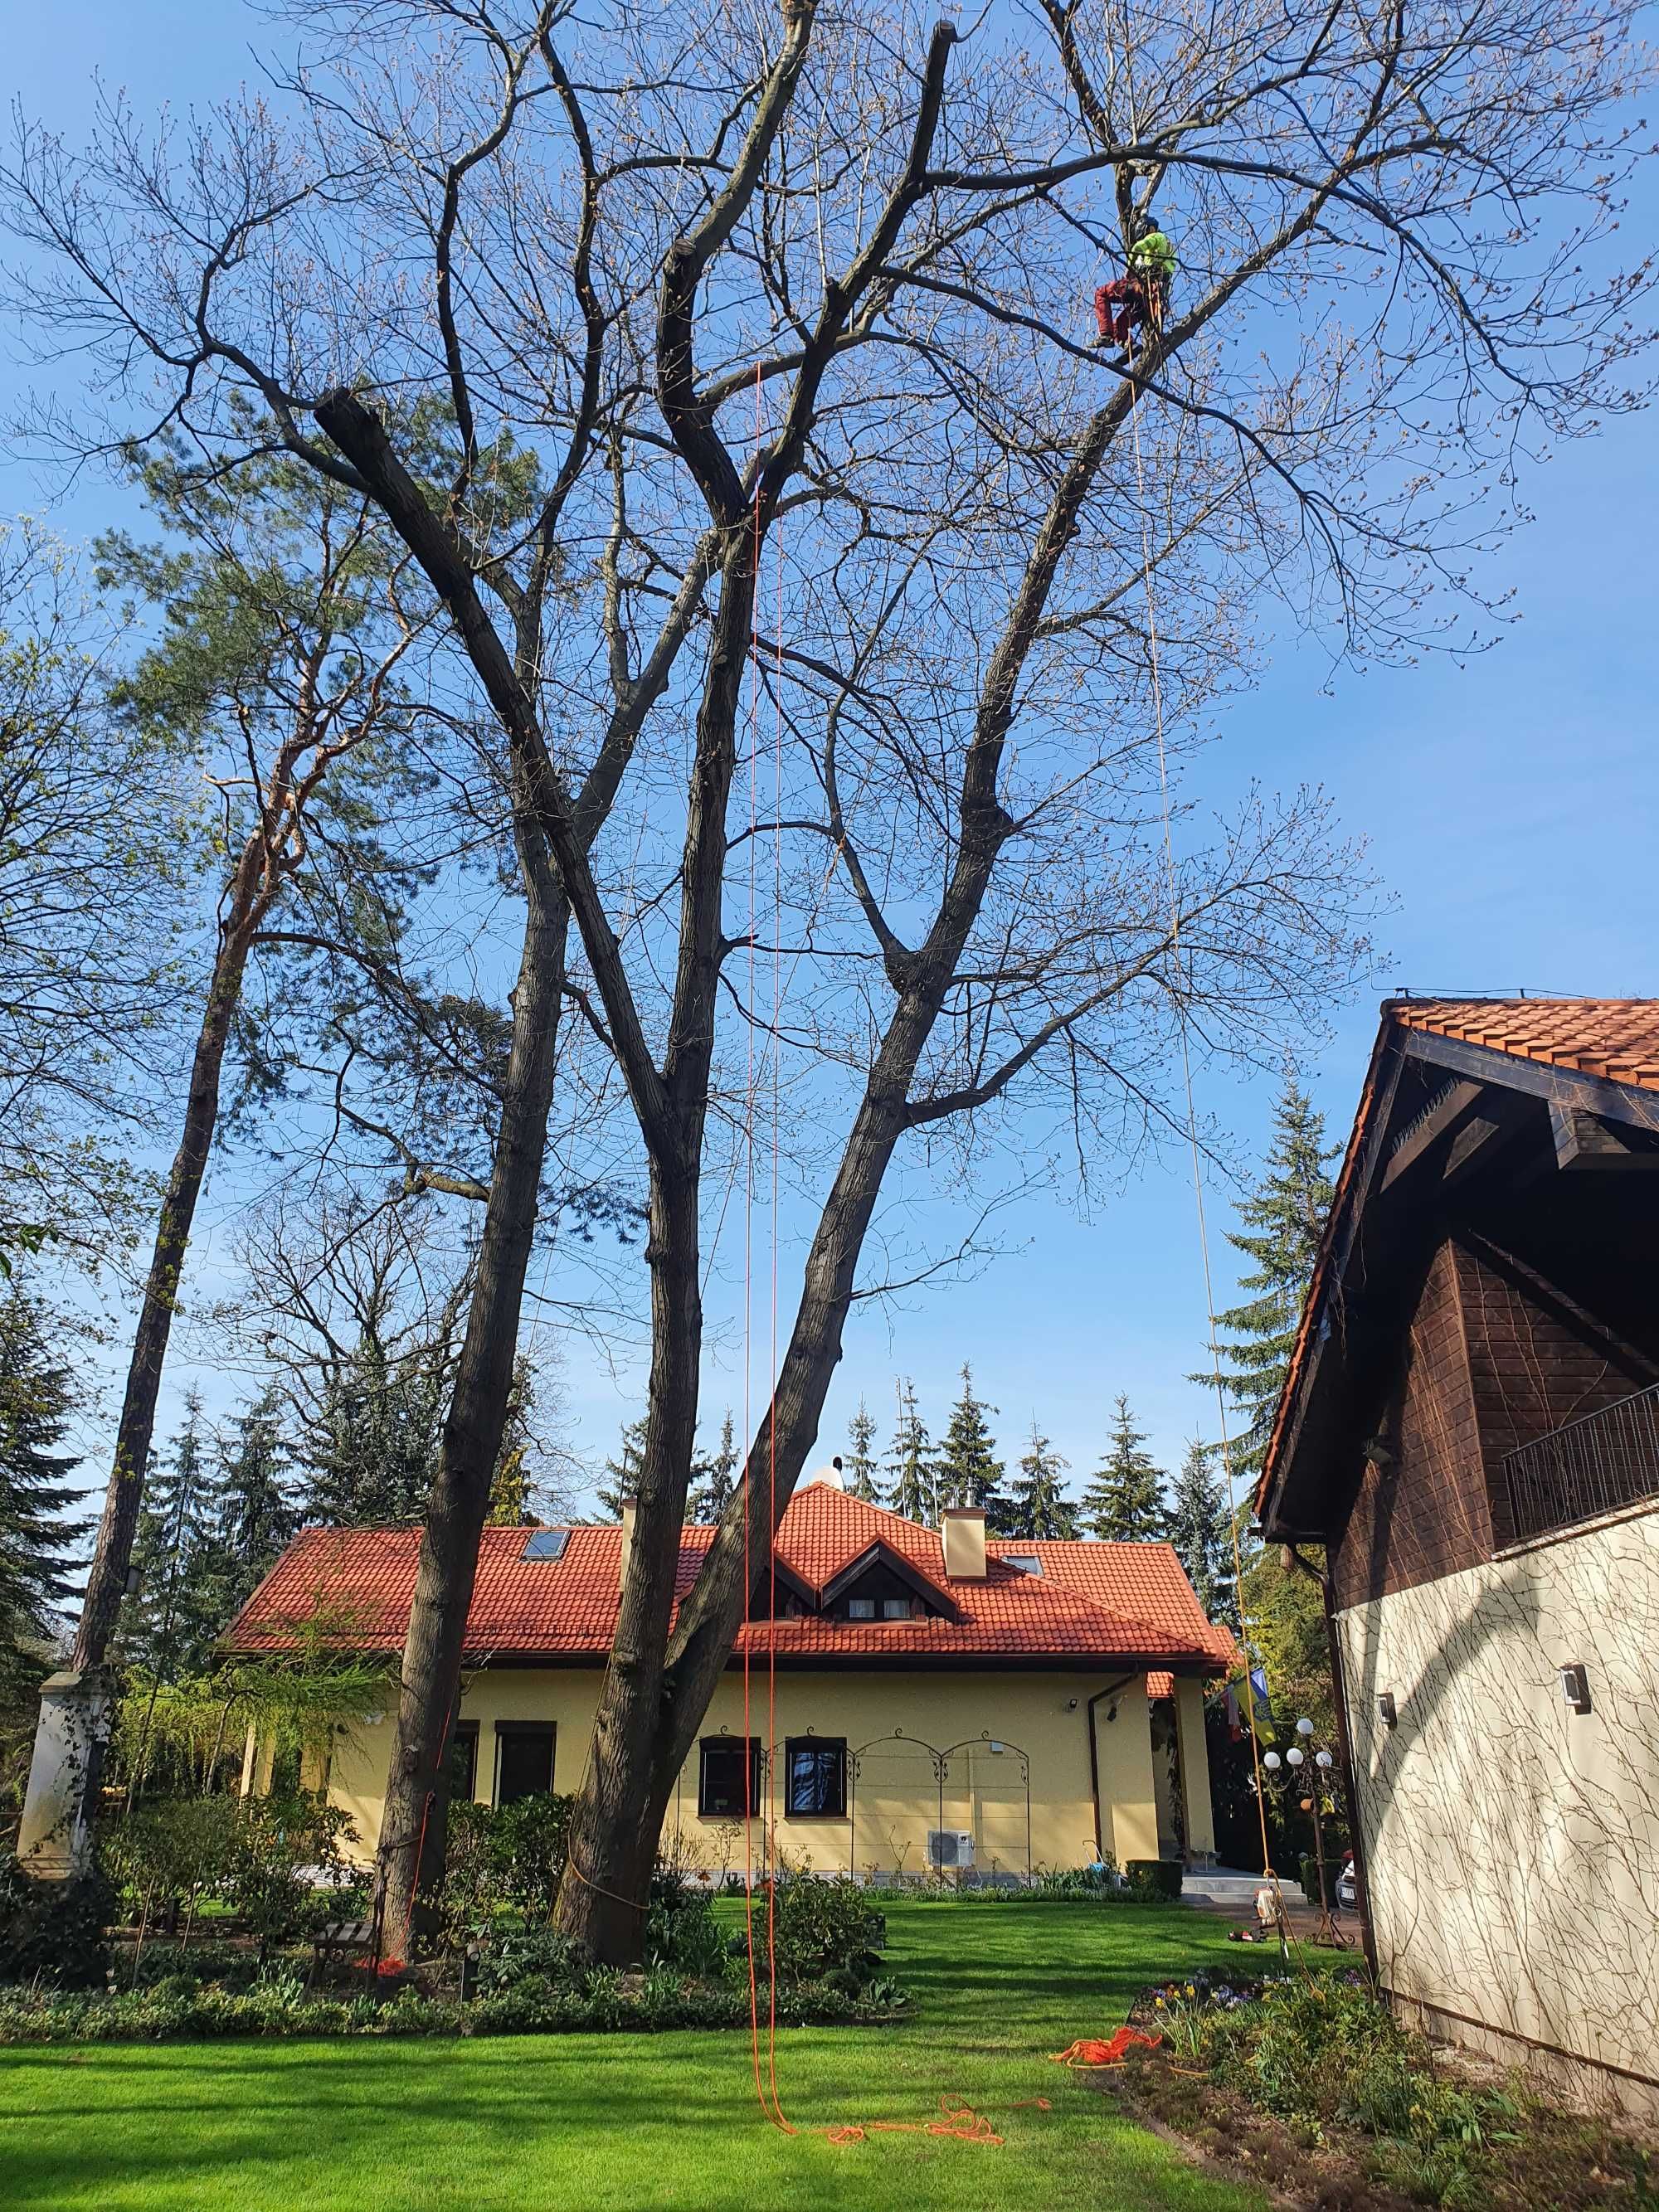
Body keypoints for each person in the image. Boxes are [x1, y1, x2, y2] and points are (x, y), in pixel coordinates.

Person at [1094, 214, 1176, 348]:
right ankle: (1129, 345)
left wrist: (1129, 268)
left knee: (1101, 293)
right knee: (1120, 323)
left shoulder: (1156, 236)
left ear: (1150, 230)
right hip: (1152, 298)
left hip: (1145, 286)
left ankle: (1105, 335)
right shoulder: (1168, 249)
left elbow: (1138, 248)